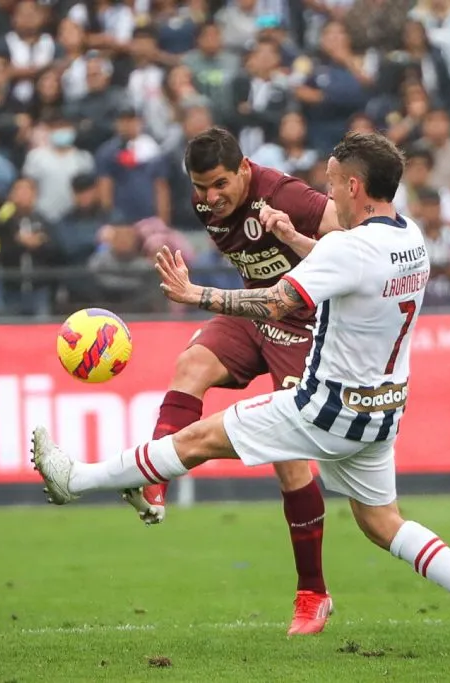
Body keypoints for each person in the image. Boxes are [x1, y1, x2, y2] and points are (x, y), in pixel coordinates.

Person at [30, 132, 450, 654]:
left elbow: (275, 302)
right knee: (383, 523)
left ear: (354, 186)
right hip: (382, 411)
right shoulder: (410, 239)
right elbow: (347, 267)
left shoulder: (344, 245)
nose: (326, 192)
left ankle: (75, 480)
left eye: (332, 183)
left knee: (197, 440)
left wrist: (196, 294)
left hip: (323, 407)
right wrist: (292, 238)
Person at [126, 126, 340, 636]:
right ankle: (154, 480)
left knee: (288, 458)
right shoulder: (205, 202)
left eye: (221, 184)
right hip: (251, 311)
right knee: (190, 366)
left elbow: (347, 236)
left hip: (306, 325)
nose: (210, 197)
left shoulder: (286, 195)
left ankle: (313, 593)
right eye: (201, 187)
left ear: (244, 169)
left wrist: (296, 240)